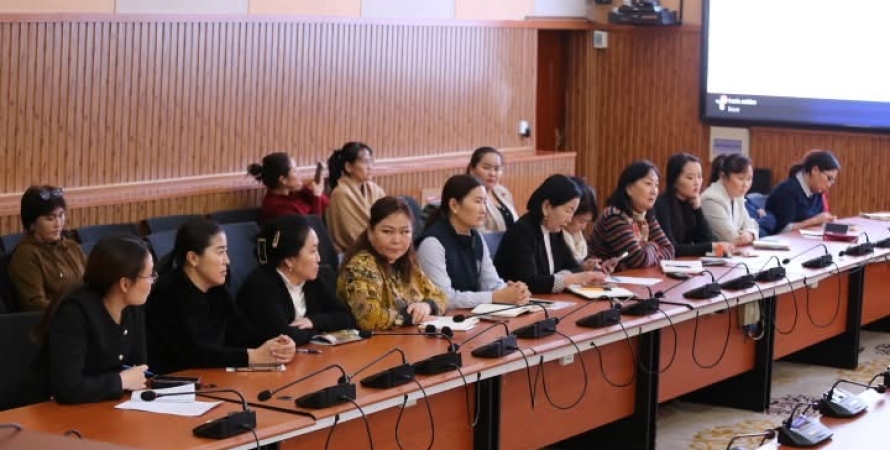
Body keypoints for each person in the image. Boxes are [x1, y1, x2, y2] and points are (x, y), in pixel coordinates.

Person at [145, 218, 296, 375]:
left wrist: (276, 346)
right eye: (220, 252)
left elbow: (241, 334)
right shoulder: (166, 294)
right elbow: (193, 355)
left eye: (226, 252)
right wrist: (252, 356)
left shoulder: (217, 287)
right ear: (193, 258)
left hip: (213, 375)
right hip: (176, 380)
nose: (227, 261)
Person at [35, 236, 153, 404]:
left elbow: (138, 369)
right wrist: (120, 381)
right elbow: (67, 388)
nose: (153, 281)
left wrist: (129, 379)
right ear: (125, 284)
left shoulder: (133, 307)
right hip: (57, 410)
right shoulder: (74, 313)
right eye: (150, 275)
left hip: (108, 404)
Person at [416, 175, 530, 309]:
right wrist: (494, 296)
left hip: (471, 315)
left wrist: (513, 291)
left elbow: (491, 283)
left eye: (485, 202)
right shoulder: (432, 243)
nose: (484, 210)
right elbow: (443, 299)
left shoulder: (476, 237)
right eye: (478, 202)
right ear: (454, 205)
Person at [237, 216, 355, 345]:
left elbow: (345, 318)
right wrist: (320, 332)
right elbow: (284, 337)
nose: (319, 258)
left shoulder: (318, 277)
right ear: (289, 260)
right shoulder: (261, 286)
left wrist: (313, 321)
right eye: (313, 251)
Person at [337, 197, 447, 331]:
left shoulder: (406, 261)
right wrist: (411, 316)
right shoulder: (361, 265)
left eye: (405, 232)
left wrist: (427, 306)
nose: (396, 240)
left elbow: (441, 297)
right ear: (370, 232)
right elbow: (369, 318)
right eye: (387, 231)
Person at [494, 175, 615, 294]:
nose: (569, 219)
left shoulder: (553, 230)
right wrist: (570, 279)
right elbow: (530, 283)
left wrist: (564, 278)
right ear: (546, 207)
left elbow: (574, 267)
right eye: (568, 211)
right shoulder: (522, 231)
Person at [8, 185, 86, 312]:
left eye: (61, 215)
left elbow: (92, 282)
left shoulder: (72, 246)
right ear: (32, 224)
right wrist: (74, 312)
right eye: (50, 218)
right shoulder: (25, 255)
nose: (58, 224)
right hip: (56, 319)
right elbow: (35, 304)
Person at [589, 161, 675, 270]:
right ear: (629, 188)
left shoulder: (646, 215)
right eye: (648, 184)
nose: (654, 191)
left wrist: (647, 251)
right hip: (604, 277)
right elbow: (639, 260)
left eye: (656, 185)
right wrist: (653, 246)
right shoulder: (614, 216)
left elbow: (669, 250)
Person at [653, 153, 731, 257]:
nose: (697, 182)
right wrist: (711, 247)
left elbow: (708, 239)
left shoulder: (691, 203)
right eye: (690, 178)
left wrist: (698, 210)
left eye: (700, 177)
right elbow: (671, 248)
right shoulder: (661, 205)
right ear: (674, 181)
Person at [325, 142, 387, 253]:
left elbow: (389, 217)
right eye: (365, 162)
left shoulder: (375, 190)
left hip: (380, 247)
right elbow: (351, 235)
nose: (370, 167)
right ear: (348, 167)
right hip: (353, 254)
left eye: (371, 161)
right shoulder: (340, 194)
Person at [764, 150, 840, 234]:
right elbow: (782, 230)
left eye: (833, 180)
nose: (829, 185)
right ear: (815, 170)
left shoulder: (817, 191)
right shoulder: (787, 191)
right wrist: (814, 221)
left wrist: (830, 222)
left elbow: (820, 221)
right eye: (829, 178)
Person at [248, 152, 329, 223]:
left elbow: (327, 206)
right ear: (283, 180)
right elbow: (312, 228)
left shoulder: (295, 192)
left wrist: (306, 190)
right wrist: (316, 197)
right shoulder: (276, 207)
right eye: (294, 171)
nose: (298, 174)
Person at [701, 153, 761, 244]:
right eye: (741, 178)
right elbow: (731, 238)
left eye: (749, 179)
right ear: (723, 177)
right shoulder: (711, 199)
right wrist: (747, 234)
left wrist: (750, 234)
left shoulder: (737, 195)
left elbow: (751, 223)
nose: (745, 184)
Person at [466, 147, 518, 233]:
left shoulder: (503, 192)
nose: (492, 173)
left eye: (497, 169)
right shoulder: (469, 196)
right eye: (486, 168)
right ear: (472, 169)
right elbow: (479, 234)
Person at [562, 176, 601, 270]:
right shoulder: (554, 237)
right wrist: (581, 269)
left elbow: (581, 265)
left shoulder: (577, 237)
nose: (583, 227)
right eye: (581, 221)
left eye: (587, 222)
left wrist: (598, 267)